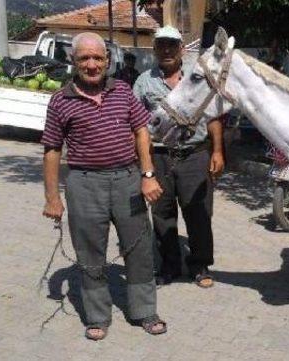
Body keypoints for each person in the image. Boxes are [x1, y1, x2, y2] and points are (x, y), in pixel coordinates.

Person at [41, 32, 167, 340]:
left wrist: (147, 174)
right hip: (84, 184)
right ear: (73, 61)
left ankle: (144, 311)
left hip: (127, 179)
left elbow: (141, 131)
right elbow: (52, 149)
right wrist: (52, 198)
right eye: (84, 58)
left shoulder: (123, 91)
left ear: (107, 60)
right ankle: (97, 316)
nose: (92, 64)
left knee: (138, 247)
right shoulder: (60, 101)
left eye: (98, 58)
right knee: (89, 252)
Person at [133, 26, 224, 288]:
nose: (166, 50)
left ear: (181, 49)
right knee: (162, 213)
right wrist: (140, 163)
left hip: (196, 155)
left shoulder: (196, 77)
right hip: (159, 156)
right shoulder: (143, 82)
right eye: (161, 45)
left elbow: (213, 115)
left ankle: (200, 265)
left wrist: (217, 150)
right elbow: (137, 126)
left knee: (199, 212)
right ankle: (170, 265)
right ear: (155, 49)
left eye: (172, 45)